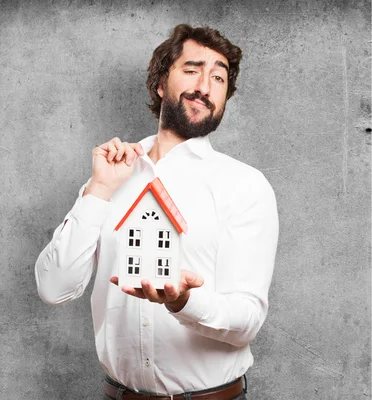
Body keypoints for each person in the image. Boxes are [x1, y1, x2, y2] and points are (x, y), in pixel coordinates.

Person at [34, 24, 279, 400]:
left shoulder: (244, 185)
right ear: (161, 83)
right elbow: (54, 288)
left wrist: (184, 301)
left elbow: (246, 322)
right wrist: (98, 190)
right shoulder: (109, 176)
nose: (205, 85)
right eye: (192, 69)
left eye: (219, 76)